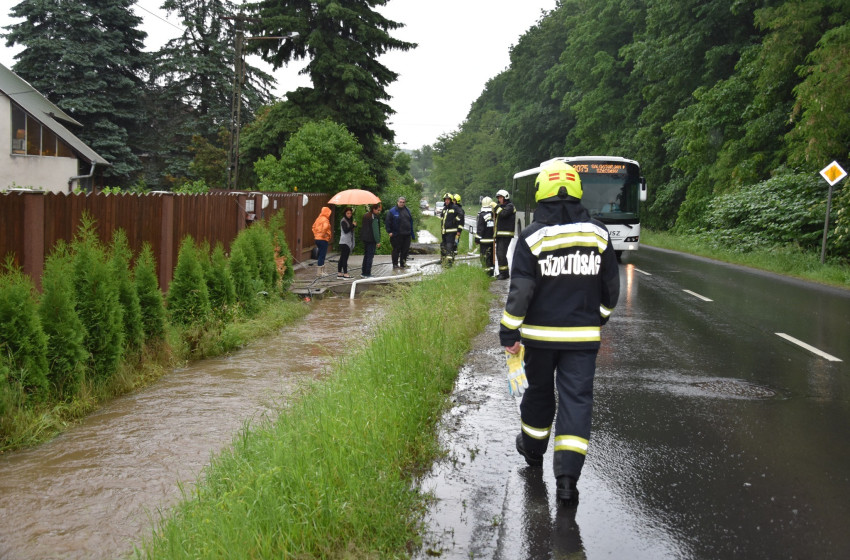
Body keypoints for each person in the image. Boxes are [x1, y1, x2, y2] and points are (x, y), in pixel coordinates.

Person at [499, 159, 620, 509]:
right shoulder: (598, 234)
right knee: (576, 402)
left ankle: (533, 452)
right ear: (578, 191)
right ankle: (567, 481)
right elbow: (610, 290)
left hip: (539, 338)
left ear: (542, 193)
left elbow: (521, 293)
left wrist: (509, 331)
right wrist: (595, 320)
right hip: (582, 341)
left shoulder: (532, 237)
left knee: (538, 394)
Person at [384, 196, 416, 269]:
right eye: (400, 202)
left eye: (403, 202)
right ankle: (395, 264)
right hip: (396, 235)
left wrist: (411, 233)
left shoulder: (407, 210)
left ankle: (403, 264)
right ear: (397, 202)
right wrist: (389, 231)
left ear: (405, 203)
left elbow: (410, 221)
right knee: (396, 250)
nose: (402, 203)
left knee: (405, 250)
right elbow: (388, 222)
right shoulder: (392, 211)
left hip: (407, 234)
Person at [493, 189, 515, 279]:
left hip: (506, 234)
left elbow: (504, 214)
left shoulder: (510, 206)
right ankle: (502, 272)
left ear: (506, 197)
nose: (499, 200)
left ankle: (505, 274)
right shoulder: (500, 207)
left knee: (502, 253)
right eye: (498, 198)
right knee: (499, 254)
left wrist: (496, 208)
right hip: (499, 234)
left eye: (501, 198)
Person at [359, 203, 382, 278]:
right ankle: (367, 273)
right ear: (374, 209)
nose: (378, 211)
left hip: (365, 238)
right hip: (371, 239)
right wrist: (378, 241)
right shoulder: (373, 217)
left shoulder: (365, 215)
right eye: (378, 210)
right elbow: (375, 231)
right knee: (370, 256)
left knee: (366, 255)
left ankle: (363, 272)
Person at [474, 196, 496, 276]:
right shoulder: (493, 215)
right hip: (492, 241)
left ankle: (486, 275)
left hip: (484, 241)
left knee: (484, 258)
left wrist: (477, 239)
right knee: (491, 257)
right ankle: (491, 272)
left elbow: (480, 229)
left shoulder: (481, 215)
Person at [439, 193, 462, 267]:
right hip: (444, 232)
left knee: (449, 247)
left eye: (448, 199)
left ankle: (449, 264)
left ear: (451, 200)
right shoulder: (445, 209)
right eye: (445, 199)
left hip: (451, 232)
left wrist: (455, 220)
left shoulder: (454, 207)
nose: (447, 201)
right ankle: (443, 262)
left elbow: (461, 214)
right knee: (443, 247)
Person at [311, 206, 332, 278]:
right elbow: (325, 227)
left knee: (320, 254)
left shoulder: (318, 219)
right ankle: (320, 272)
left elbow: (313, 227)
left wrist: (316, 235)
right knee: (322, 255)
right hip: (323, 239)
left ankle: (321, 271)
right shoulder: (325, 220)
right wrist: (323, 235)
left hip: (317, 239)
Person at [337, 207, 356, 279]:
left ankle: (339, 273)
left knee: (342, 258)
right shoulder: (343, 221)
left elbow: (350, 229)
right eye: (348, 213)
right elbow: (345, 230)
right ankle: (345, 273)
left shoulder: (349, 220)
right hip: (344, 242)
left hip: (348, 241)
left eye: (350, 213)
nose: (349, 215)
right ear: (345, 213)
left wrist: (352, 226)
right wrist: (352, 225)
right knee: (345, 258)